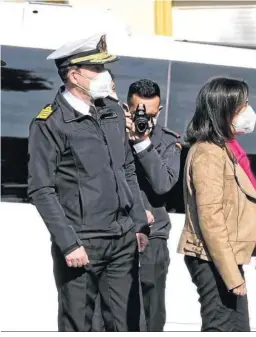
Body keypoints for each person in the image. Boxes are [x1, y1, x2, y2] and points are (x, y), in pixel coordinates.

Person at [27, 33, 149, 332]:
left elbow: (126, 169)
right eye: (96, 69)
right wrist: (69, 244)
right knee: (79, 324)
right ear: (73, 74)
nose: (105, 75)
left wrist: (138, 223)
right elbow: (41, 190)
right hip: (82, 242)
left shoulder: (110, 111)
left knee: (125, 324)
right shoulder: (50, 123)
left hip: (122, 239)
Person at [177, 77, 256, 332]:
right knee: (221, 326)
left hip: (222, 255)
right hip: (210, 256)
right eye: (242, 106)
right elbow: (211, 219)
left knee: (236, 327)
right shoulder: (208, 152)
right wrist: (231, 276)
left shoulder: (225, 148)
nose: (248, 112)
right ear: (223, 110)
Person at [123, 79, 182, 331]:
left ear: (158, 112)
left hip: (152, 238)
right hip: (117, 234)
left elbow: (162, 185)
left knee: (151, 316)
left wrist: (142, 143)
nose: (142, 118)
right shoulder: (112, 135)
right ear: (127, 108)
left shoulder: (168, 141)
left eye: (148, 113)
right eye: (138, 111)